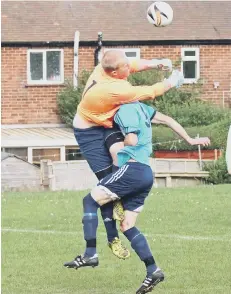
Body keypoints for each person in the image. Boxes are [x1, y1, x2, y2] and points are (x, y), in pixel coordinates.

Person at [65, 101, 211, 293]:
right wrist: (191, 140)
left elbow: (132, 140)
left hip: (132, 170)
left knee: (90, 201)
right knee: (127, 225)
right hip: (146, 174)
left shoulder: (124, 109)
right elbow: (167, 120)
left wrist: (121, 142)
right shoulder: (142, 107)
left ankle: (90, 253)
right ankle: (153, 270)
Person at [73, 49, 183, 259]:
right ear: (114, 72)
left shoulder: (105, 68)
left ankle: (121, 203)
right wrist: (172, 81)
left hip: (106, 121)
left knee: (120, 160)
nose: (129, 67)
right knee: (105, 184)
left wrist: (156, 63)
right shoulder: (113, 90)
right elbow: (149, 92)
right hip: (89, 132)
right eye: (125, 67)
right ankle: (112, 238)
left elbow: (131, 64)